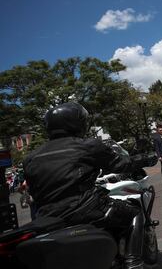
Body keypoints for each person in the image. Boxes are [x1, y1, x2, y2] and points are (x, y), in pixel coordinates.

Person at [23, 102, 146, 269]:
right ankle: (134, 262)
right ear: (76, 122)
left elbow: (33, 190)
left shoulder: (30, 157)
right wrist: (143, 159)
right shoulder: (88, 145)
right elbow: (121, 165)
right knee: (135, 213)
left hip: (46, 218)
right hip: (85, 209)